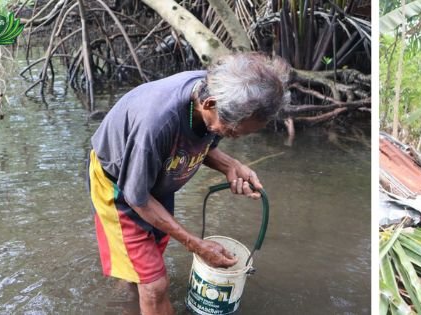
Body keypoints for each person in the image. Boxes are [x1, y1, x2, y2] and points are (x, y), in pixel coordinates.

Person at [86, 52, 290, 314]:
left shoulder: (214, 95)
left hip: (159, 175)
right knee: (156, 285)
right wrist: (197, 245)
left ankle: (129, 299)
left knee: (151, 258)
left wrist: (231, 166)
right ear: (209, 103)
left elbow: (199, 142)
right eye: (232, 132)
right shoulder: (156, 124)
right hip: (120, 185)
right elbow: (136, 197)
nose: (235, 137)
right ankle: (139, 291)